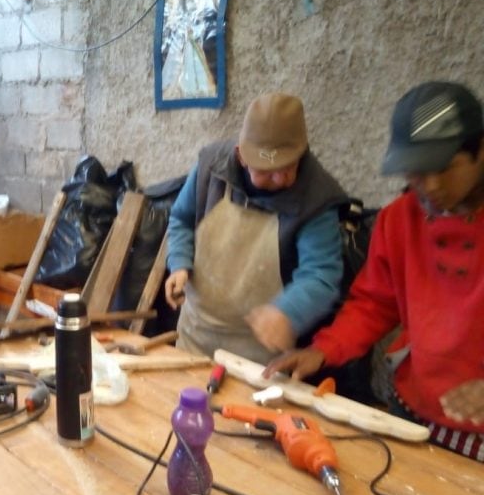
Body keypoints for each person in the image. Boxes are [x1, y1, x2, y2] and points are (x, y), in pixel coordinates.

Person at [264, 81, 484, 462]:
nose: (430, 186)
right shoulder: (399, 220)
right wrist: (323, 350)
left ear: (480, 151)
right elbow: (375, 304)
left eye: (445, 169)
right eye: (416, 173)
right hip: (414, 412)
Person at [164, 92, 349, 364]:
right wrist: (179, 262)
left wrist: (288, 312)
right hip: (196, 335)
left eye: (287, 167)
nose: (279, 178)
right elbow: (181, 219)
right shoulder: (210, 167)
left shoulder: (316, 197)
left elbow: (321, 274)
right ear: (241, 156)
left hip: (260, 353)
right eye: (265, 171)